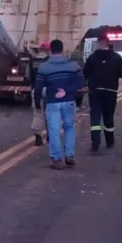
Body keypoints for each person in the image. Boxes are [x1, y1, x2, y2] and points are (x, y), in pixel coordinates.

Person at [33, 39, 86, 170]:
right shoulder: (74, 65)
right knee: (69, 128)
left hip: (52, 101)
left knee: (54, 130)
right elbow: (81, 82)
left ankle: (57, 159)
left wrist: (37, 103)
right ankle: (69, 155)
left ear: (50, 51)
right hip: (69, 101)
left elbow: (38, 87)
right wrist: (67, 91)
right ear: (63, 50)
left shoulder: (44, 67)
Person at [83, 34, 122, 152]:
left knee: (95, 117)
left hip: (95, 91)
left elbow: (85, 73)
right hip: (111, 91)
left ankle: (95, 143)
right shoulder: (116, 57)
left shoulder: (92, 57)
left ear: (98, 43)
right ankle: (109, 141)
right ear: (109, 43)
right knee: (108, 117)